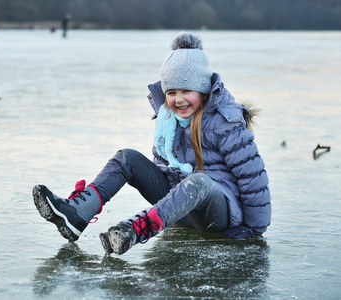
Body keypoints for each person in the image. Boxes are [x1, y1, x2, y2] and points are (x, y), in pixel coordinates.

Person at [32, 32, 271, 255]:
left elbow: (253, 178)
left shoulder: (225, 123)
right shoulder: (167, 121)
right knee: (127, 158)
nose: (178, 99)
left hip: (216, 212)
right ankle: (77, 214)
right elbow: (163, 166)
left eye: (187, 90)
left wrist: (254, 228)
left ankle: (134, 230)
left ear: (204, 91)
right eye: (171, 92)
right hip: (179, 207)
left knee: (199, 182)